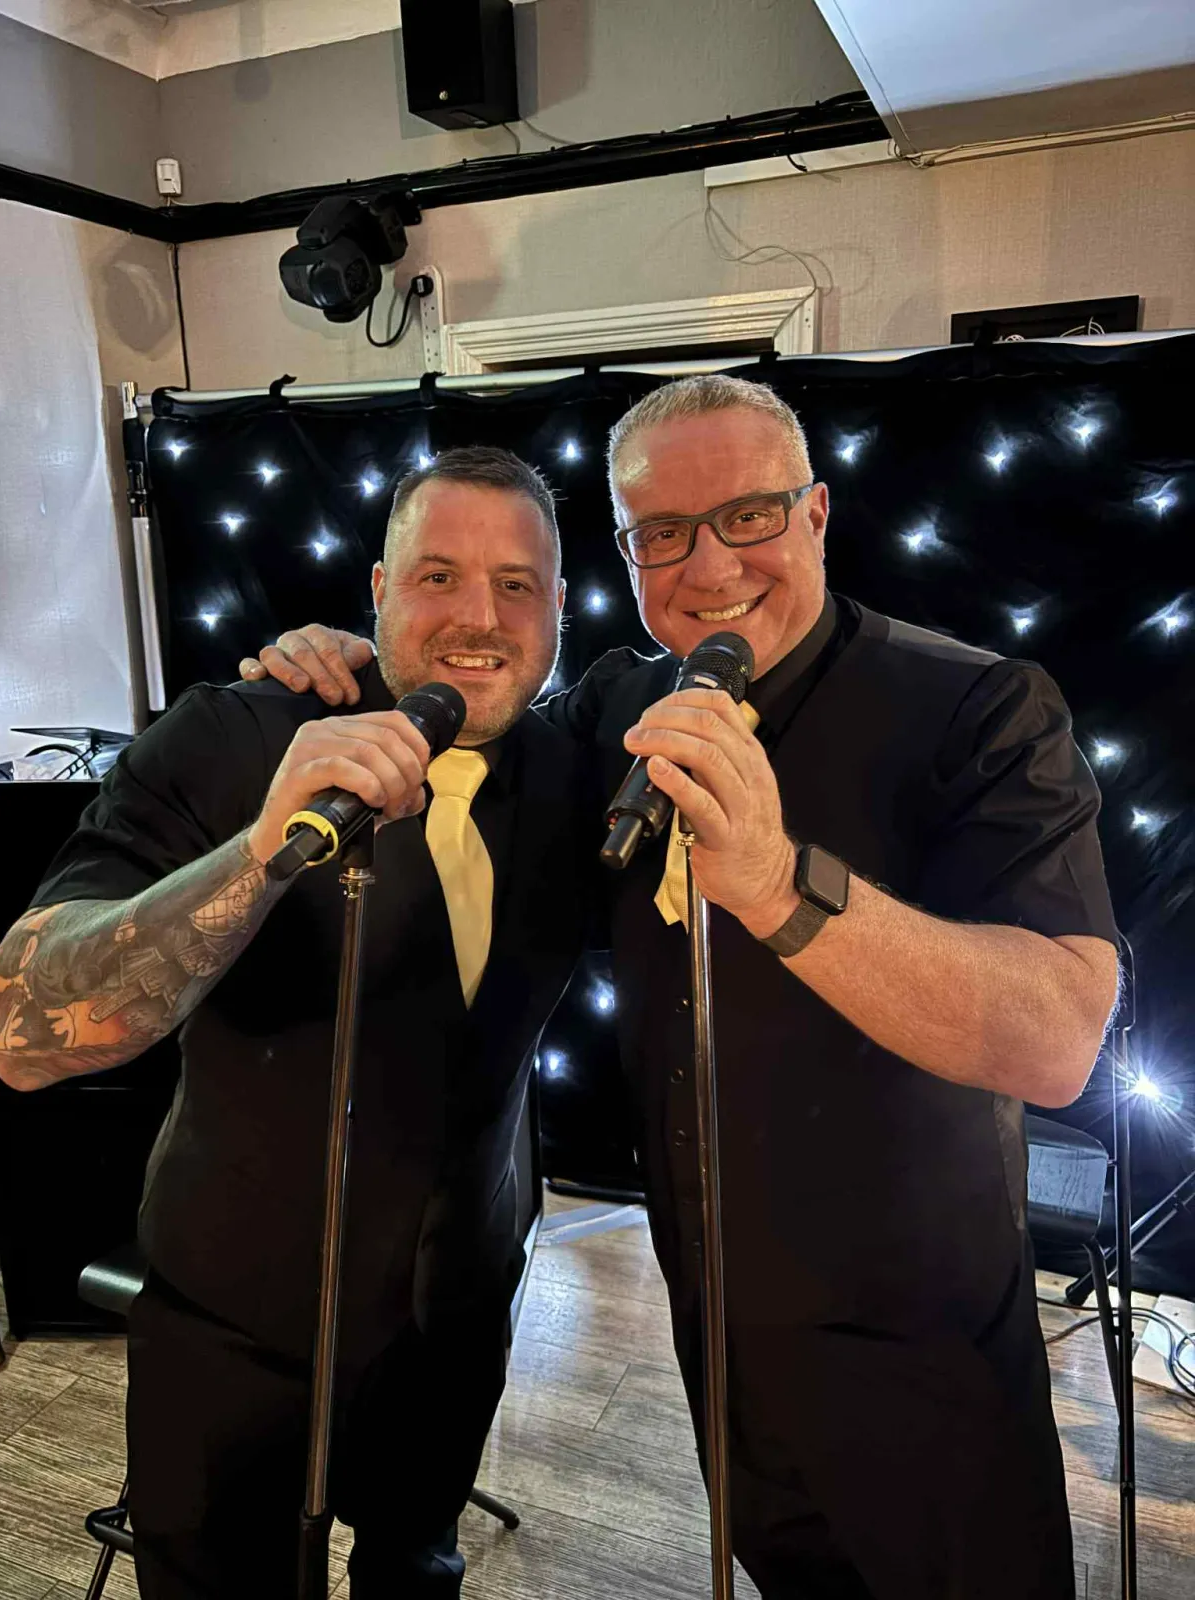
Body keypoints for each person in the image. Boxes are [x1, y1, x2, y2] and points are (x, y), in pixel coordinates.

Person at [250, 375, 1122, 1600]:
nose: (709, 564)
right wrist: (366, 655)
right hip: (718, 1349)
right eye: (662, 531)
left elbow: (1057, 1039)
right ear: (624, 550)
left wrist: (778, 885)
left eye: (750, 516)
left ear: (818, 515)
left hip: (922, 1360)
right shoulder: (623, 703)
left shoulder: (977, 708)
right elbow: (482, 711)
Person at [0, 448, 596, 1599]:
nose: (480, 616)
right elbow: (20, 1029)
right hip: (234, 1318)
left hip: (457, 1316)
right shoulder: (232, 735)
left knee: (416, 1572)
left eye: (518, 583)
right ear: (376, 587)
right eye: (438, 576)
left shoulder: (572, 764)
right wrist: (260, 852)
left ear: (562, 605)